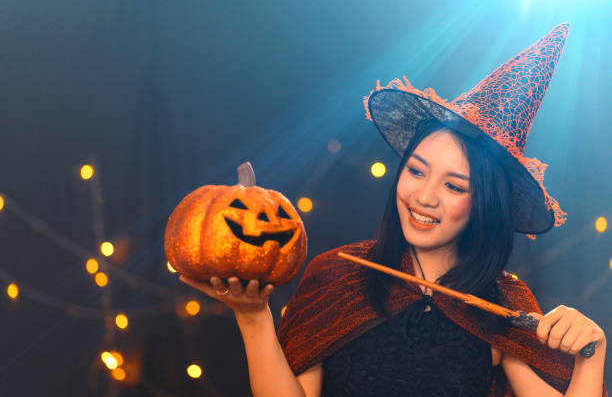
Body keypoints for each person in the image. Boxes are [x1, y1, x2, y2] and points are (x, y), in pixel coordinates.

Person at [180, 23, 608, 396]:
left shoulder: (502, 302)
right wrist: (254, 320)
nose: (425, 196)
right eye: (417, 172)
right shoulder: (337, 275)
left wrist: (592, 355)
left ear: (484, 206)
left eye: (454, 185)